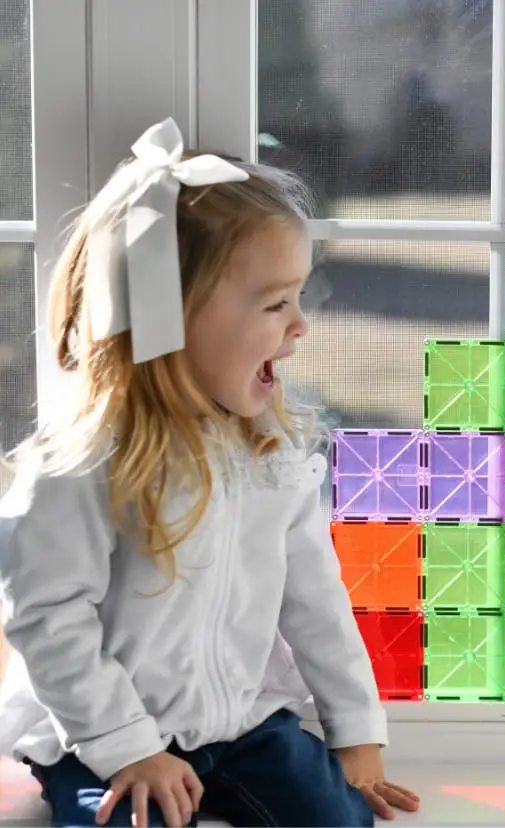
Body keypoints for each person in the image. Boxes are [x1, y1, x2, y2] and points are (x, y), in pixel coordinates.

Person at [0, 119, 421, 827]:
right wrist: (129, 749)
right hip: (101, 738)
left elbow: (316, 599)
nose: (299, 326)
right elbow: (47, 619)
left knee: (338, 819)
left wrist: (356, 732)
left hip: (245, 725)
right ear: (173, 319)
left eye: (298, 298)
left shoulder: (272, 452)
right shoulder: (83, 464)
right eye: (273, 303)